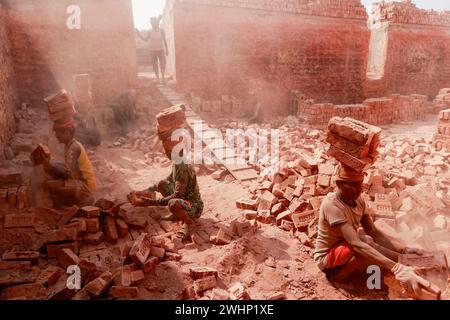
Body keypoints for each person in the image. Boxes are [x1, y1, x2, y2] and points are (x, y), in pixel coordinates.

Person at [314, 163, 432, 298]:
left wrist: (404, 250)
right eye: (353, 185)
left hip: (345, 248)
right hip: (327, 258)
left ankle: (412, 261)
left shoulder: (358, 200)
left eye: (360, 184)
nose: (359, 189)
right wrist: (397, 268)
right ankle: (338, 279)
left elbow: (374, 233)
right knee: (364, 242)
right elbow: (356, 244)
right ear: (339, 184)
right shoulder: (332, 206)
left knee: (370, 240)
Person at [128, 139, 204, 240]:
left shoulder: (183, 168)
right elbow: (167, 180)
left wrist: (151, 202)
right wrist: (144, 191)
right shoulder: (177, 162)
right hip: (184, 198)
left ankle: (189, 222)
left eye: (168, 151)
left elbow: (177, 195)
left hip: (193, 206)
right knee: (161, 184)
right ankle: (178, 214)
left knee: (173, 203)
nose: (166, 153)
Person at [41, 119, 96, 207]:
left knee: (50, 186)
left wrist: (50, 166)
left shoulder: (73, 148)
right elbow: (66, 167)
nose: (56, 135)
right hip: (80, 182)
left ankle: (84, 200)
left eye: (58, 132)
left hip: (85, 186)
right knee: (50, 179)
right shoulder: (69, 145)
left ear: (67, 132)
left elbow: (66, 173)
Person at [136, 16, 169, 83]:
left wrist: (167, 49)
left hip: (160, 49)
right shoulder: (150, 31)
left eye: (155, 22)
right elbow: (145, 39)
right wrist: (138, 34)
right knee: (154, 64)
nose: (153, 24)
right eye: (152, 23)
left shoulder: (161, 30)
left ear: (157, 23)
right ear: (151, 24)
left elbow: (164, 40)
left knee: (163, 63)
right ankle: (157, 78)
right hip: (152, 50)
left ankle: (162, 77)